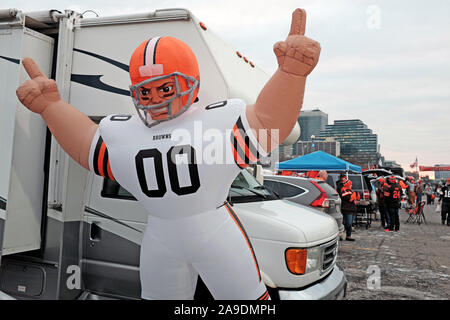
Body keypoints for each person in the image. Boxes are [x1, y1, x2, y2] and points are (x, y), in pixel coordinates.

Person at [15, 9, 320, 299]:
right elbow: (87, 146)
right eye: (145, 92)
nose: (155, 99)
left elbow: (269, 122)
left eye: (165, 88)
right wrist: (51, 108)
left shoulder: (213, 120)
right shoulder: (126, 131)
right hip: (161, 236)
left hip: (214, 233)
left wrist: (290, 74)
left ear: (190, 83)